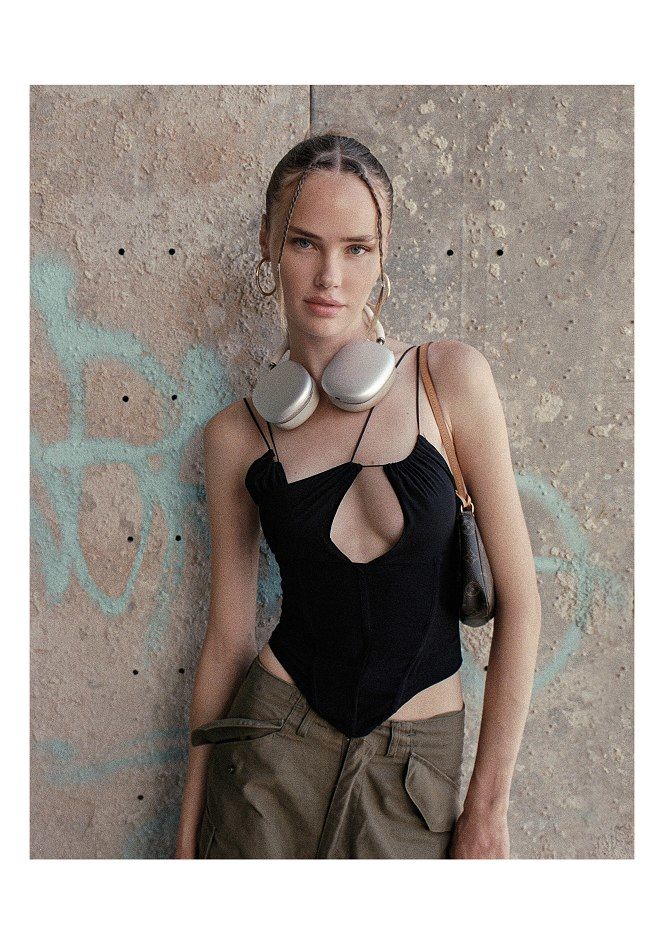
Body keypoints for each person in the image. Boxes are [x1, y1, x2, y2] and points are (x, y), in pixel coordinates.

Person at [175, 133, 541, 860]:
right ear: (268, 243)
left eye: (357, 248)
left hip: (413, 774)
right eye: (304, 243)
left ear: (383, 253)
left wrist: (487, 808)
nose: (329, 277)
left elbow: (522, 606)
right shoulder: (236, 437)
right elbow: (228, 639)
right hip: (269, 756)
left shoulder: (448, 381)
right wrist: (188, 834)